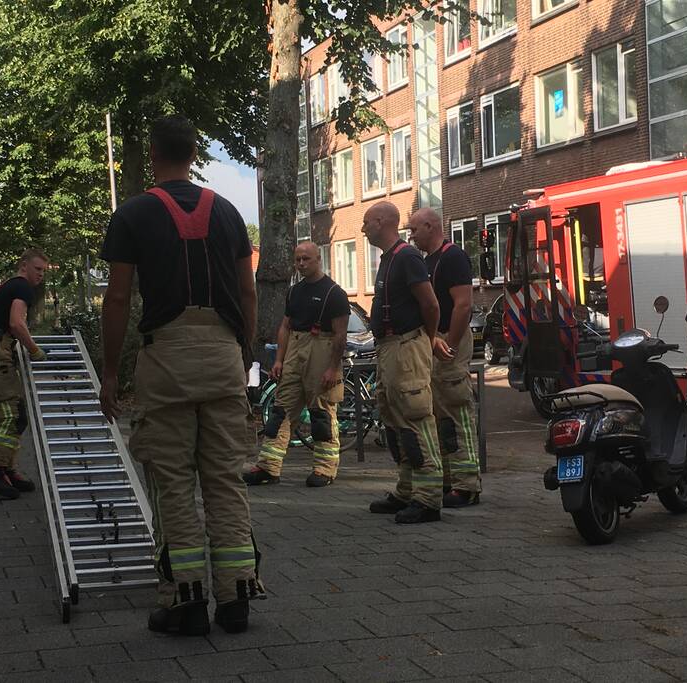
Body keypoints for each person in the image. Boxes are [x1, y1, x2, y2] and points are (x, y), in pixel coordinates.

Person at [99, 115, 264, 636]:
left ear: (152, 153)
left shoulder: (133, 214)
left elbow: (120, 296)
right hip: (222, 357)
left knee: (172, 483)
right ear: (194, 154)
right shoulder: (230, 214)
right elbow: (248, 293)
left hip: (167, 360)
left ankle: (186, 602)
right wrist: (243, 357)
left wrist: (109, 374)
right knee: (225, 480)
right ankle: (236, 599)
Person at [362, 201, 445, 524]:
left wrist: (425, 340)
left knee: (415, 418)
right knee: (395, 420)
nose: (363, 228)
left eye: (367, 222)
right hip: (389, 349)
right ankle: (407, 489)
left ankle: (428, 499)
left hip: (405, 348)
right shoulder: (390, 259)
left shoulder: (407, 258)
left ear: (382, 222)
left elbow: (431, 305)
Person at [244, 241, 349, 487]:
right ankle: (268, 467)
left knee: (321, 413)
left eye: (306, 259)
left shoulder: (334, 293)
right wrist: (279, 359)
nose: (301, 264)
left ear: (318, 259)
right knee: (280, 411)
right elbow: (285, 326)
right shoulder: (293, 291)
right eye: (298, 259)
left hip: (322, 348)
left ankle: (325, 469)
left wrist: (333, 368)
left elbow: (340, 335)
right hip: (295, 349)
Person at [406, 207, 482, 507]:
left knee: (456, 408)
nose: (411, 236)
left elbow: (463, 305)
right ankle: (450, 479)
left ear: (429, 226)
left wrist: (448, 344)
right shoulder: (428, 261)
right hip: (435, 340)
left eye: (414, 230)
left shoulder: (452, 257)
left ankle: (467, 485)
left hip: (450, 339)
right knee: (439, 413)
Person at [0, 248, 48, 500]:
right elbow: (16, 323)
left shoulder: (9, 285)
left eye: (44, 271)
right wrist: (35, 351)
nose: (41, 276)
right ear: (24, 266)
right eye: (38, 269)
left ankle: (6, 469)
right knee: (11, 416)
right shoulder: (23, 287)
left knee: (16, 415)